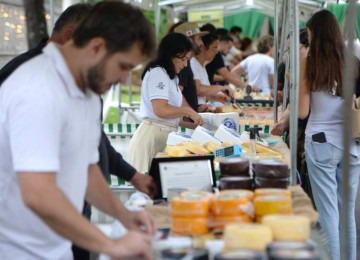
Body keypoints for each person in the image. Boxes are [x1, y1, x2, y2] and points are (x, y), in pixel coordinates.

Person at [0, 1, 156, 259]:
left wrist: (123, 215)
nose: (124, 80)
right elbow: (38, 194)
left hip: (56, 246)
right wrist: (112, 245)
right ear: (96, 47)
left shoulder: (87, 92)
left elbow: (86, 168)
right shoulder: (37, 90)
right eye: (124, 67)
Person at [299, 10, 360, 260]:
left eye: (310, 33)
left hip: (321, 142)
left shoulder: (309, 62)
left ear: (315, 34)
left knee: (328, 215)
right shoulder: (352, 61)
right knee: (347, 214)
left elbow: (302, 112)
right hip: (352, 145)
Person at [127, 33, 203, 173]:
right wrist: (188, 111)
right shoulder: (158, 73)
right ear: (172, 54)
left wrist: (192, 123)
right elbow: (160, 110)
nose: (185, 64)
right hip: (152, 138)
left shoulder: (170, 76)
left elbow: (169, 115)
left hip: (163, 135)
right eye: (184, 59)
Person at [173, 22, 210, 112]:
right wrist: (191, 113)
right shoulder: (182, 65)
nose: (202, 43)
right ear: (189, 41)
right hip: (184, 121)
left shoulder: (186, 63)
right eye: (198, 39)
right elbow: (177, 95)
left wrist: (197, 109)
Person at [190, 32, 234, 108]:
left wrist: (214, 97)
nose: (216, 52)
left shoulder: (202, 66)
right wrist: (220, 88)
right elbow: (198, 89)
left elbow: (201, 95)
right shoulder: (193, 64)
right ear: (203, 47)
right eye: (214, 48)